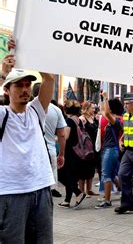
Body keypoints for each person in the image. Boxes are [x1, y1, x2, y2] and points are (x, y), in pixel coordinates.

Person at [0, 48, 55, 242]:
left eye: (27, 85)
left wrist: (33, 51)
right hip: (10, 193)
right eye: (19, 86)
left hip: (41, 188)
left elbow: (49, 80)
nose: (25, 90)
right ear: (7, 90)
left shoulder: (35, 111)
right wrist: (3, 74)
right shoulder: (3, 114)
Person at [32, 83, 68, 198]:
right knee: (50, 180)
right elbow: (62, 135)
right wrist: (61, 154)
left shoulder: (26, 107)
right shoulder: (56, 110)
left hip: (31, 151)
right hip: (50, 149)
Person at [58, 100, 90, 209]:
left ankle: (78, 193)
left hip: (69, 152)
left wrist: (57, 138)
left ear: (66, 110)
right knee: (70, 175)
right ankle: (67, 200)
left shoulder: (68, 121)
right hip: (78, 152)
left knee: (62, 174)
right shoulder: (78, 120)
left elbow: (65, 137)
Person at [95, 98, 123, 209]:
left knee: (106, 175)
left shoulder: (115, 120)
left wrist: (106, 97)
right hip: (112, 149)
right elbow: (103, 111)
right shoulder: (119, 119)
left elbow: (105, 112)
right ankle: (125, 191)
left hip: (110, 149)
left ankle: (107, 200)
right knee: (112, 175)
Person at [79, 101, 99, 196]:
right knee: (83, 169)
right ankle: (81, 191)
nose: (94, 110)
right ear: (87, 108)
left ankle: (89, 189)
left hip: (93, 146)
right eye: (92, 108)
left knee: (91, 168)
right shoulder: (82, 119)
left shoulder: (93, 118)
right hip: (85, 147)